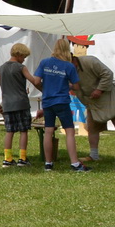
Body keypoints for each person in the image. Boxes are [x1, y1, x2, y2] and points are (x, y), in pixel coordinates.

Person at [70, 36, 115, 164]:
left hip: (110, 92)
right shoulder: (68, 71)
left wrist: (99, 90)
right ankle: (94, 155)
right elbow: (76, 88)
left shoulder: (90, 61)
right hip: (92, 99)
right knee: (93, 126)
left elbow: (107, 74)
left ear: (73, 60)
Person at [36, 37, 88, 172]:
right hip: (62, 101)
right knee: (70, 131)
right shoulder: (69, 66)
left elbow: (36, 81)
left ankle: (48, 163)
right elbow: (76, 86)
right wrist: (67, 84)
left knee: (48, 131)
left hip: (47, 101)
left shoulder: (45, 62)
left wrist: (45, 89)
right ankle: (75, 163)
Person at [0, 42, 41, 167]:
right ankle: (22, 159)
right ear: (19, 55)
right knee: (23, 130)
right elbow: (33, 80)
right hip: (21, 103)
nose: (24, 59)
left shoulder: (2, 68)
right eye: (24, 56)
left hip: (7, 104)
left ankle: (7, 159)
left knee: (10, 131)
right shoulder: (21, 67)